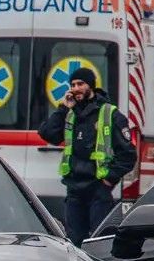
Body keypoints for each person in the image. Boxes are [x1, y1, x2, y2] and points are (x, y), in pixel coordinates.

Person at [37, 67, 137, 246]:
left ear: (90, 86)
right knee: (74, 242)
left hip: (98, 189)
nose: (75, 88)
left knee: (99, 241)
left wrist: (109, 180)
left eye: (80, 84)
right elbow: (47, 134)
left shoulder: (109, 114)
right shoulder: (70, 113)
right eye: (73, 85)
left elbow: (128, 155)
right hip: (74, 189)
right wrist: (62, 109)